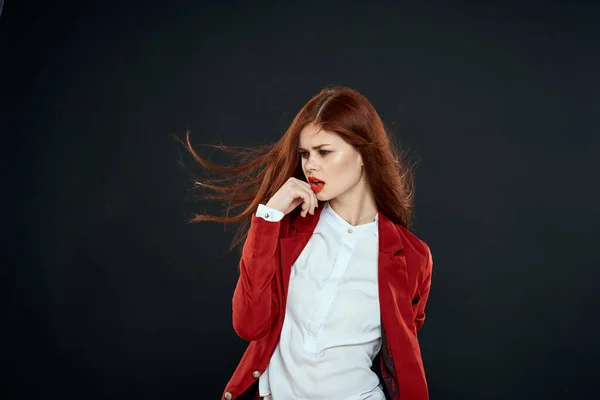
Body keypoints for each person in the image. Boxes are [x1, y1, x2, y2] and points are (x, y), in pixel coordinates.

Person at [182, 86, 433, 400]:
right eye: (305, 154)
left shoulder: (412, 256)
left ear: (363, 154)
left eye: (324, 152)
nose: (310, 165)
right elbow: (249, 324)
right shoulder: (287, 228)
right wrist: (269, 217)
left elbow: (400, 347)